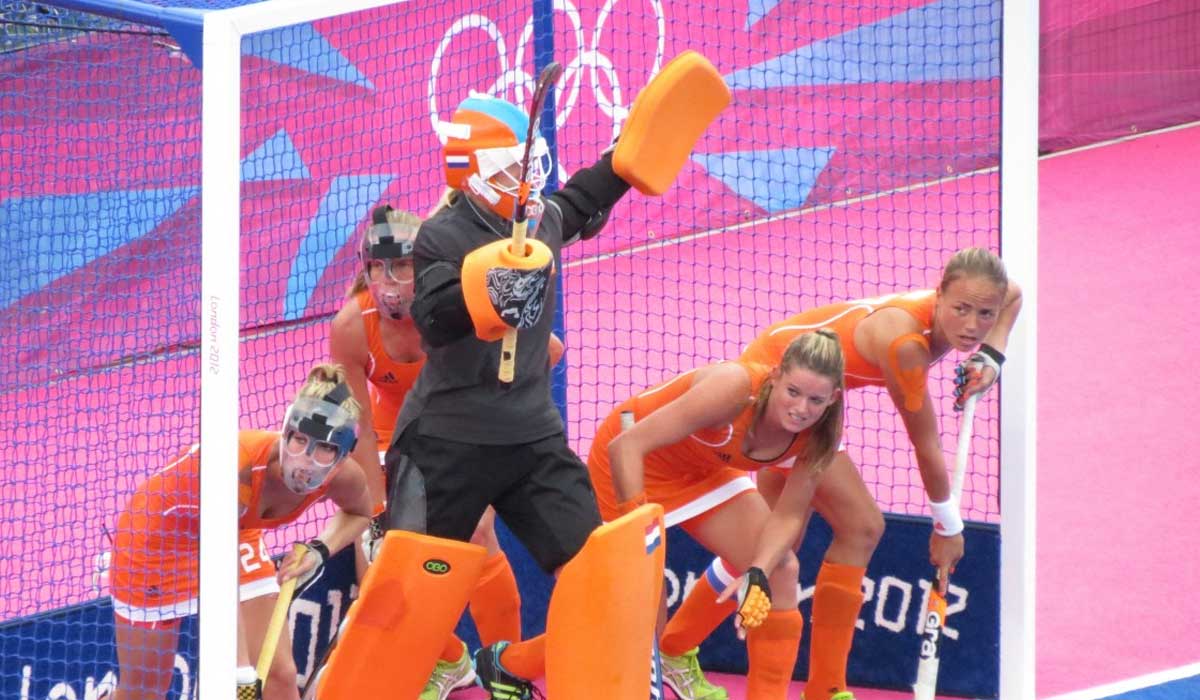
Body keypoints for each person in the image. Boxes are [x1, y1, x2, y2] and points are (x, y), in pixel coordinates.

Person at [661, 247, 1023, 700]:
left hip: (812, 394)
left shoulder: (980, 302)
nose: (972, 325)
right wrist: (947, 527)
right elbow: (926, 443)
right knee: (860, 526)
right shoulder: (906, 346)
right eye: (961, 309)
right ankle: (826, 688)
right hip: (787, 389)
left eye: (984, 314)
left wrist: (991, 356)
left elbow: (1013, 294)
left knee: (770, 546)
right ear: (939, 294)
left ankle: (675, 647)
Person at [384, 92, 633, 700]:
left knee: (599, 577)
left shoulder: (540, 218)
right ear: (470, 175)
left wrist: (626, 158)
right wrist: (490, 292)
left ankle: (511, 665)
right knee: (409, 599)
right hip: (445, 445)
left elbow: (582, 198)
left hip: (532, 439)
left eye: (530, 166)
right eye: (508, 171)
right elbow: (434, 317)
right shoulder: (441, 235)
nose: (525, 183)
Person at [328, 203, 562, 700]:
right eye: (377, 267)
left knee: (479, 533)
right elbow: (360, 427)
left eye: (402, 265)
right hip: (396, 436)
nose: (389, 280)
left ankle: (505, 669)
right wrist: (376, 511)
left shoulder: (463, 301)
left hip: (467, 422)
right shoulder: (352, 325)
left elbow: (549, 351)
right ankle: (452, 660)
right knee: (383, 560)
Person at [587, 330, 847, 700]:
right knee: (645, 619)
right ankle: (514, 665)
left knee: (781, 569)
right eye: (793, 392)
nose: (801, 408)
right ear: (775, 377)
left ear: (833, 398)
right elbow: (625, 446)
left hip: (704, 470)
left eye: (815, 400)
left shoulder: (820, 435)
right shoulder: (733, 388)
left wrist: (757, 570)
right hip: (633, 464)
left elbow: (789, 516)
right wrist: (638, 531)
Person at [109, 364, 374, 700]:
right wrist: (240, 674)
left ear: (342, 455)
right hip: (156, 541)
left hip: (235, 534)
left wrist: (319, 550)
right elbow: (222, 577)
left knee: (280, 675)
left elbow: (359, 513)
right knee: (143, 693)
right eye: (299, 440)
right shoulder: (240, 466)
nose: (306, 460)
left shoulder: (345, 477)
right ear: (286, 431)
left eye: (324, 447)